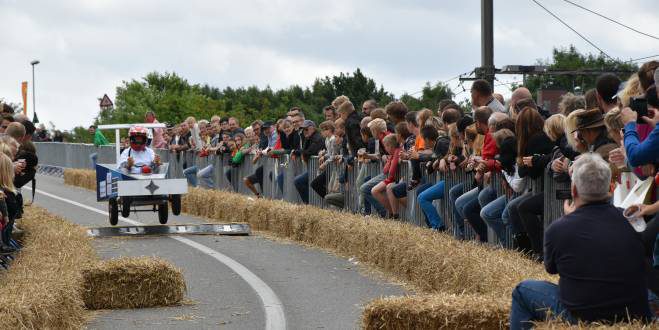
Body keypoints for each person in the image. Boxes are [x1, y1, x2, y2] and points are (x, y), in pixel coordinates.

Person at [510, 153, 651, 329]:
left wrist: (570, 220)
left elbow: (551, 268)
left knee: (522, 290)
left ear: (574, 190)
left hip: (582, 316)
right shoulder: (630, 220)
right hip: (634, 316)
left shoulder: (558, 229)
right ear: (610, 188)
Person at [370, 134, 402, 218]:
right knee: (374, 191)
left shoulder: (397, 152)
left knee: (376, 190)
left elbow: (391, 171)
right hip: (391, 178)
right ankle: (392, 212)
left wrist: (390, 161)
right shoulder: (392, 154)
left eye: (386, 146)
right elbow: (385, 170)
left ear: (391, 146)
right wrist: (389, 161)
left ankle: (394, 213)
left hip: (393, 179)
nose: (385, 149)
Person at [293, 120, 324, 204]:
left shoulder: (317, 137)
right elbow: (305, 151)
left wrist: (301, 153)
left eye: (306, 129)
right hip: (314, 168)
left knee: (299, 181)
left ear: (313, 128)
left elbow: (310, 152)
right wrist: (299, 152)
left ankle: (310, 205)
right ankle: (310, 205)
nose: (304, 132)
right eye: (303, 130)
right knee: (298, 181)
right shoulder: (309, 138)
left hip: (320, 169)